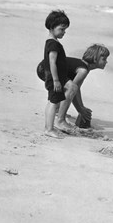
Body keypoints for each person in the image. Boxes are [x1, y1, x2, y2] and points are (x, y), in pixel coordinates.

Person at [37, 44, 110, 131]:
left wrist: (81, 107)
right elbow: (73, 91)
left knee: (69, 87)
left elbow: (76, 90)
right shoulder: (83, 70)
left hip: (44, 68)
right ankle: (60, 120)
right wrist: (80, 109)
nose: (106, 62)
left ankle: (58, 109)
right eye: (104, 59)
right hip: (46, 69)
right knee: (71, 87)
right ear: (95, 59)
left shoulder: (82, 67)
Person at [42, 10, 73, 139]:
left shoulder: (52, 42)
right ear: (51, 27)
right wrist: (56, 80)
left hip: (56, 78)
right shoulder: (53, 44)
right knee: (53, 103)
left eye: (65, 30)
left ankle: (49, 127)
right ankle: (49, 129)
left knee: (52, 102)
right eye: (61, 29)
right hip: (54, 79)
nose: (63, 32)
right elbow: (52, 62)